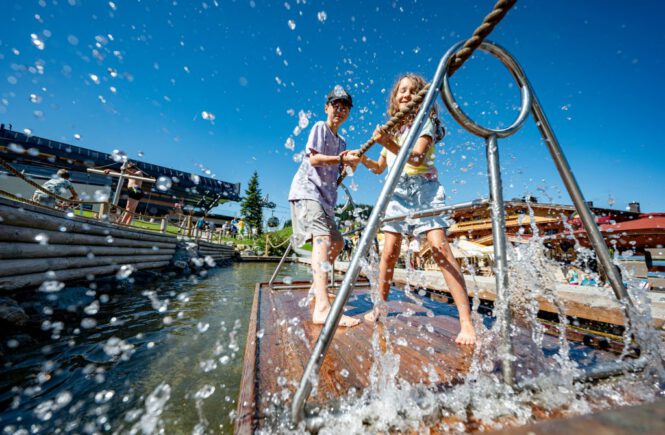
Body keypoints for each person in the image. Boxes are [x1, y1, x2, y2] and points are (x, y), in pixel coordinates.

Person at [356, 73, 475, 345]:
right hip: (396, 192)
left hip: (425, 189)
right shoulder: (394, 130)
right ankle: (381, 306)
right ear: (394, 99)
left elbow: (417, 156)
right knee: (389, 253)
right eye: (401, 91)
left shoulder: (425, 122)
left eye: (412, 90)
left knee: (439, 248)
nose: (406, 94)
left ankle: (466, 322)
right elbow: (380, 168)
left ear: (421, 96)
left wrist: (388, 143)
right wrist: (363, 159)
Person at [288, 85, 361, 327]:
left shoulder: (342, 142)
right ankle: (321, 307)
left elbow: (339, 175)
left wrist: (351, 165)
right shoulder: (320, 127)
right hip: (307, 191)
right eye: (336, 105)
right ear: (327, 108)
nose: (340, 110)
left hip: (325, 198)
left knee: (338, 242)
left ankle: (315, 288)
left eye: (345, 107)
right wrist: (341, 159)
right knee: (323, 239)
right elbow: (314, 159)